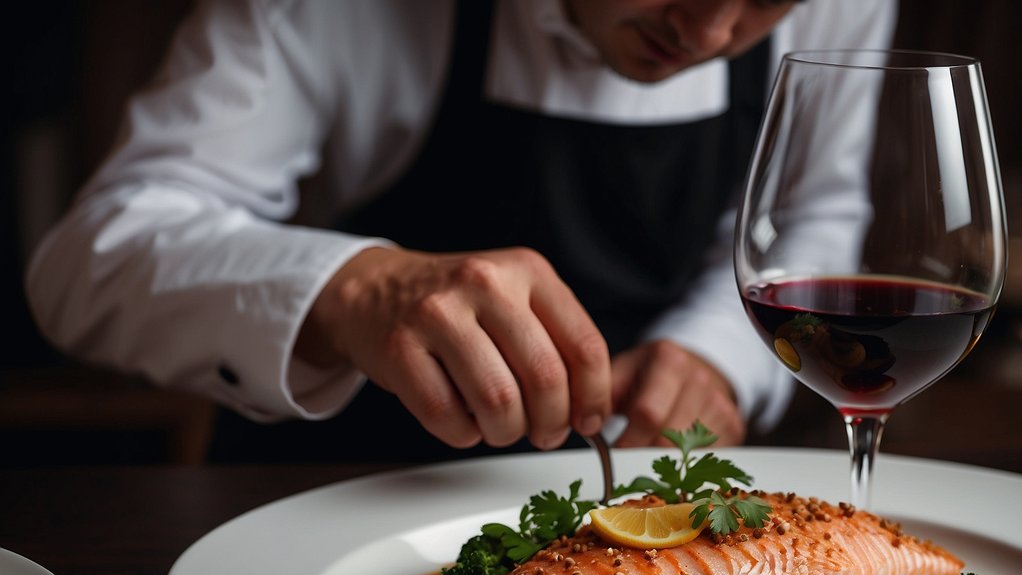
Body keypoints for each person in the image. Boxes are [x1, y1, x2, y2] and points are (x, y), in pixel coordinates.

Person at [24, 0, 897, 463]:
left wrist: (716, 357)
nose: (707, 32)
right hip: (332, 483)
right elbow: (93, 255)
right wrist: (356, 290)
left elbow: (814, 209)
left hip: (640, 486)